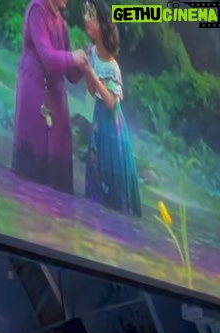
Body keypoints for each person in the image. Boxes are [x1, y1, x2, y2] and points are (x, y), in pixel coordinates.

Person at [12, 0, 88, 193]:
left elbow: (71, 75)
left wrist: (86, 62)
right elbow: (47, 57)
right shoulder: (37, 9)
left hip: (56, 94)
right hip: (35, 89)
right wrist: (73, 57)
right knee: (32, 172)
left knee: (58, 174)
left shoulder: (61, 23)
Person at [82, 0, 141, 216]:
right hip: (98, 120)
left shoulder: (112, 66)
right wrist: (87, 70)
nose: (87, 19)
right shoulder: (92, 52)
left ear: (103, 25)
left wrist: (93, 74)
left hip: (112, 125)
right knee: (95, 168)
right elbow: (91, 92)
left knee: (110, 180)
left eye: (92, 17)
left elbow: (112, 103)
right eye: (86, 14)